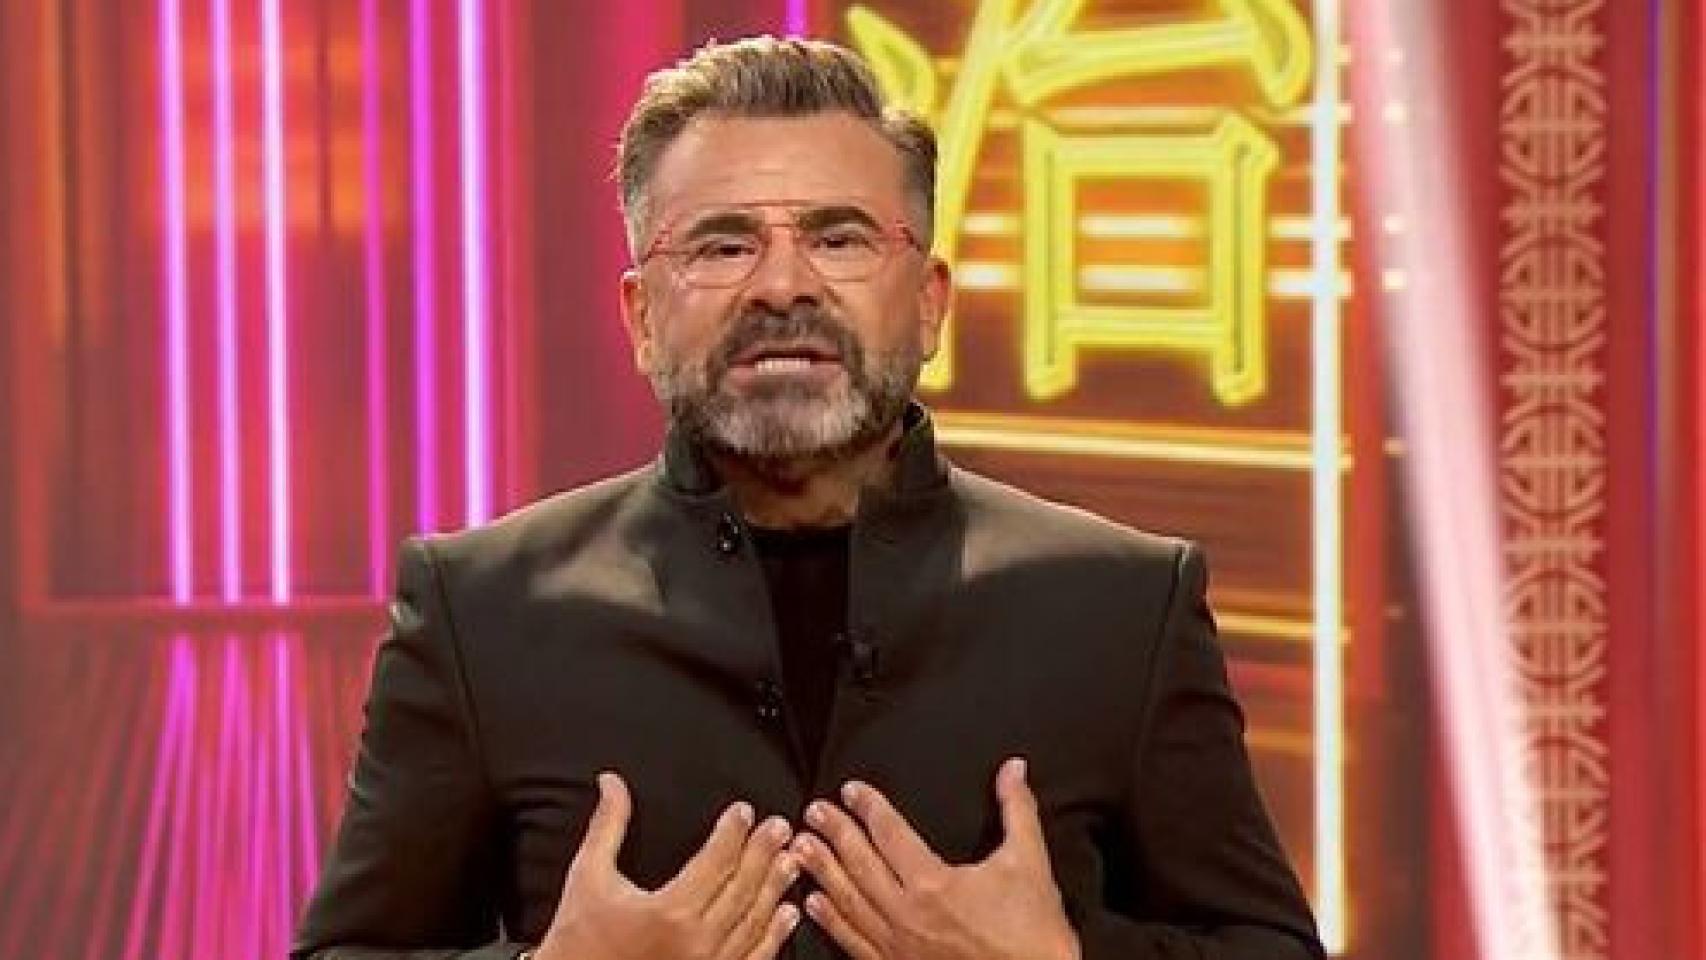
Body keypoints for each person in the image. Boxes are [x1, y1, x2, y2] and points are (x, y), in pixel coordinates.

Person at [292, 36, 1323, 960]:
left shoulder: (1121, 607)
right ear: (641, 317)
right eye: (722, 244)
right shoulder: (480, 610)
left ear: (929, 304)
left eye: (839, 238)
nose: (782, 286)